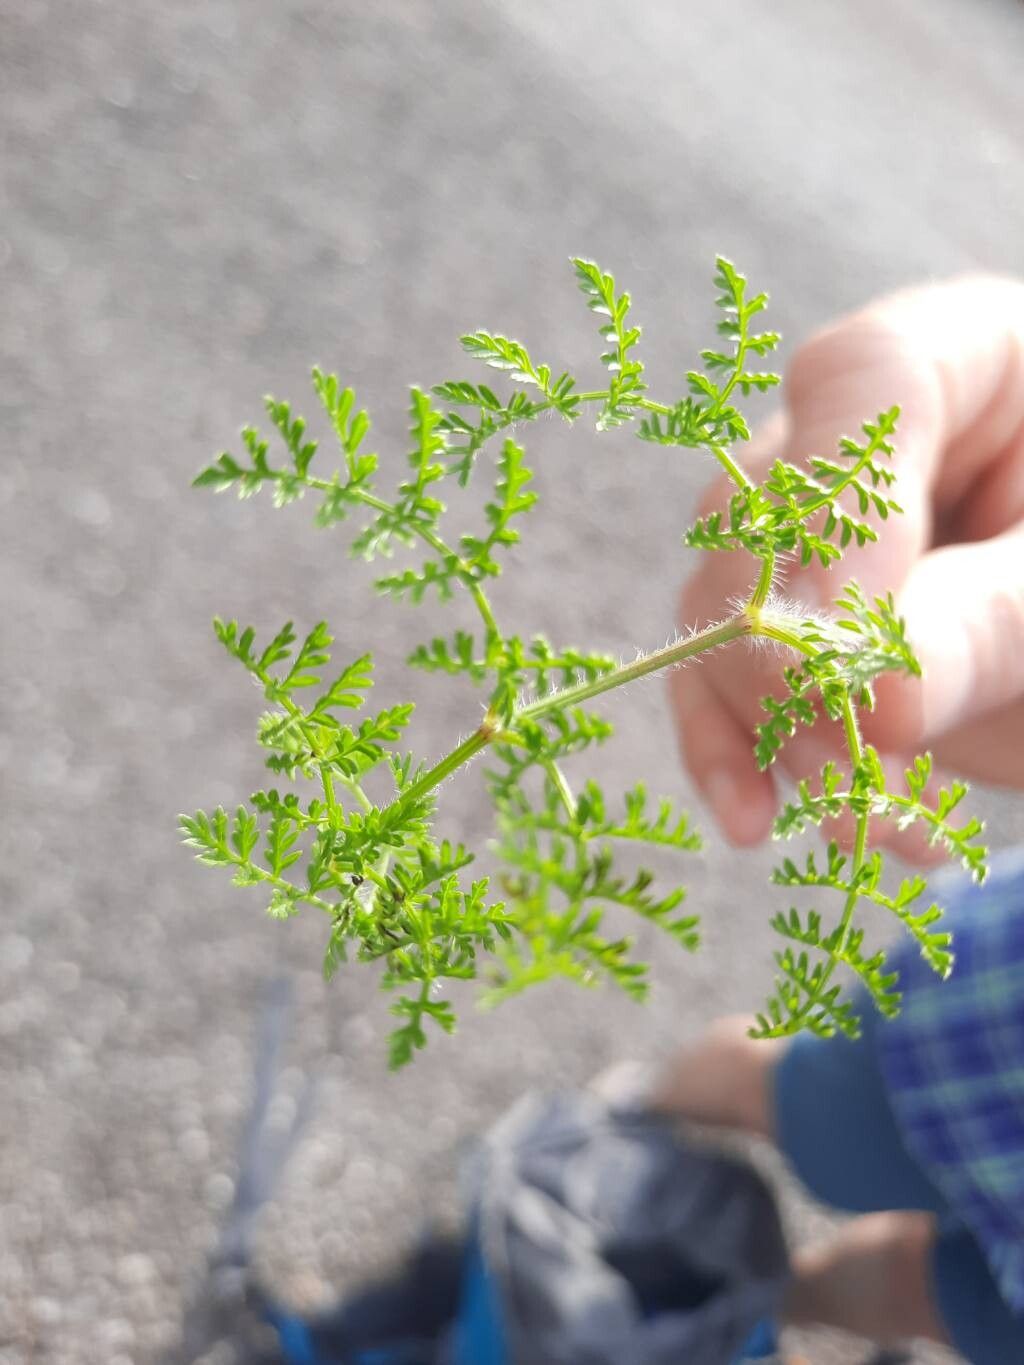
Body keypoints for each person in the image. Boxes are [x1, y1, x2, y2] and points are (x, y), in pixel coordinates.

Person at [661, 275, 1024, 1364]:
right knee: (817, 1110)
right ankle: (662, 1106)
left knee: (940, 1301)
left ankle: (776, 1303)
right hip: (990, 1049)